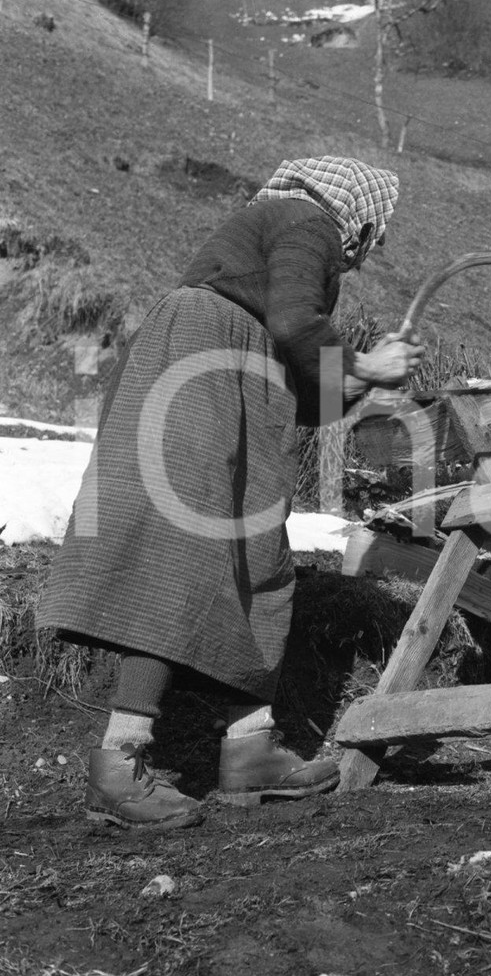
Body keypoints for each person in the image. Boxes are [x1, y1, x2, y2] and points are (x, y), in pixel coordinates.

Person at [36, 156, 426, 828]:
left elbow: (305, 384)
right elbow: (298, 325)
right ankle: (121, 755)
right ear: (357, 218)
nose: (369, 249)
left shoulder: (278, 238)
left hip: (237, 373)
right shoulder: (310, 221)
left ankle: (250, 747)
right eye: (375, 234)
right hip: (200, 365)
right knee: (183, 550)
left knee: (255, 555)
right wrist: (364, 362)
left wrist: (359, 381)